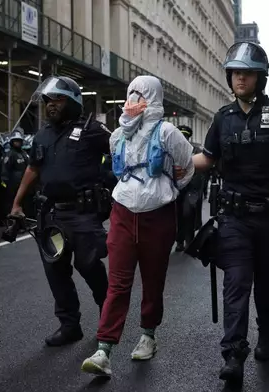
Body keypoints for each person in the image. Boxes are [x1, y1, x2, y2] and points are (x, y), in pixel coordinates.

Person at [190, 41, 269, 387]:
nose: (239, 78)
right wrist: (175, 160)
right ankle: (233, 353)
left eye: (247, 73)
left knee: (268, 283)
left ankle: (268, 335)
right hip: (233, 218)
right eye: (235, 73)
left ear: (260, 77)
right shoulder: (222, 118)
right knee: (236, 282)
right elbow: (206, 160)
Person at [80, 75, 195, 377]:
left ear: (153, 98)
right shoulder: (118, 135)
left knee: (153, 279)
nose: (134, 101)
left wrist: (167, 190)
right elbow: (118, 172)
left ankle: (148, 335)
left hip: (158, 215)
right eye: (130, 94)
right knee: (117, 282)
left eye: (140, 94)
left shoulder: (167, 132)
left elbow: (187, 167)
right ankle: (104, 349)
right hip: (122, 211)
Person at [10, 76, 110, 347]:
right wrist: (17, 203)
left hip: (84, 214)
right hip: (53, 215)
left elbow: (120, 155)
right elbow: (33, 169)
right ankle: (69, 325)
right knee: (56, 271)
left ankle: (109, 316)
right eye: (47, 100)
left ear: (74, 101)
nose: (50, 105)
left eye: (57, 99)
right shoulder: (42, 135)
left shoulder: (93, 130)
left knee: (89, 265)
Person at [174, 124, 207, 252]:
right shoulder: (173, 150)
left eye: (185, 136)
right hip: (177, 189)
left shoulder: (196, 150)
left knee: (188, 213)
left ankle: (189, 240)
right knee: (177, 215)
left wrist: (198, 190)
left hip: (191, 188)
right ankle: (179, 241)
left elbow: (200, 172)